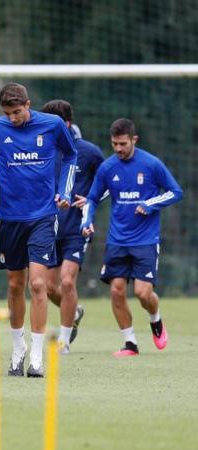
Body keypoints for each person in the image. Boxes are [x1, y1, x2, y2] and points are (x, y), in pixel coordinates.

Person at [0, 83, 77, 378]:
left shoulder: (52, 124)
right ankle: (18, 348)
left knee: (38, 284)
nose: (13, 118)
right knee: (14, 285)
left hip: (43, 216)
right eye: (8, 113)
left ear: (28, 104)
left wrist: (64, 191)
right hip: (10, 218)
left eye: (17, 112)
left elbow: (71, 157)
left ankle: (36, 356)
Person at [81, 118, 182, 357]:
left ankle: (155, 320)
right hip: (117, 240)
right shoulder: (107, 168)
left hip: (145, 240)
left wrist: (150, 204)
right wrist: (87, 220)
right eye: (114, 144)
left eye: (123, 144)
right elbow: (92, 198)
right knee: (116, 290)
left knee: (142, 293)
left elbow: (176, 192)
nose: (118, 149)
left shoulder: (152, 164)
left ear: (134, 140)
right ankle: (130, 344)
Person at [40, 100, 104, 353]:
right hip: (48, 226)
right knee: (48, 287)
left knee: (67, 282)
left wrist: (91, 200)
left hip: (76, 228)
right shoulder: (42, 151)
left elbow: (108, 183)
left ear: (66, 124)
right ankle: (74, 311)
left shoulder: (88, 152)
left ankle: (64, 341)